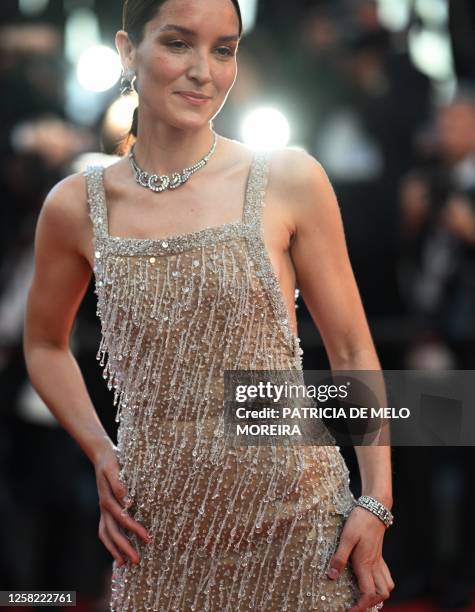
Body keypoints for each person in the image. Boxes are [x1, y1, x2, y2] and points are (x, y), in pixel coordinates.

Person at [23, 0, 394, 610]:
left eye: (223, 50)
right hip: (157, 536)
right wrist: (99, 448)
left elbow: (353, 348)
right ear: (126, 51)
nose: (203, 70)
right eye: (177, 43)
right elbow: (43, 342)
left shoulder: (289, 179)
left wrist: (376, 503)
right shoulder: (73, 206)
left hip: (300, 528)